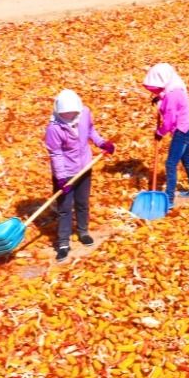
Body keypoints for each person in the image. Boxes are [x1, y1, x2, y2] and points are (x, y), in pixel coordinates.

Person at [44, 89, 115, 262]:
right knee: (65, 208)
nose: (69, 116)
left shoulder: (85, 114)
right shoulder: (54, 128)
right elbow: (56, 154)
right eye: (65, 114)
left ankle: (83, 231)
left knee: (82, 203)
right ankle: (63, 243)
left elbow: (91, 131)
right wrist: (61, 178)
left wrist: (101, 143)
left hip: (84, 167)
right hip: (65, 172)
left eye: (72, 113)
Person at [144, 64, 189, 210]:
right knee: (186, 159)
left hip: (182, 131)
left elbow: (169, 121)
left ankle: (168, 199)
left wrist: (160, 133)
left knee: (170, 164)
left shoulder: (173, 94)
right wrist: (159, 99)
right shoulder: (174, 86)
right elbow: (168, 102)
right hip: (187, 126)